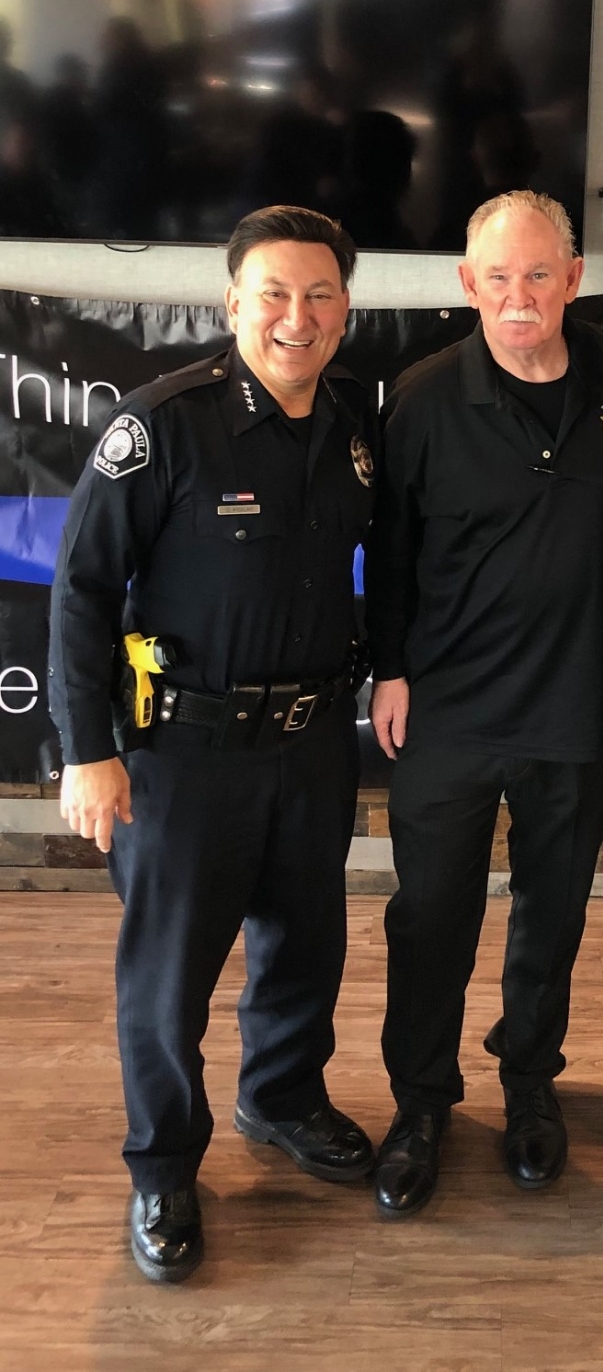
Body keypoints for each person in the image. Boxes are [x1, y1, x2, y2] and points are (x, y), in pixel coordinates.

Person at [48, 205, 377, 1283]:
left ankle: (280, 1098)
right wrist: (86, 749)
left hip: (313, 742)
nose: (298, 316)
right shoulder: (162, 425)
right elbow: (83, 591)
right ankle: (163, 1165)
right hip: (183, 757)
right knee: (168, 976)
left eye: (319, 295)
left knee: (303, 948)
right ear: (232, 303)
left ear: (345, 310)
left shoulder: (354, 429)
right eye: (274, 294)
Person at [365, 189, 603, 1218]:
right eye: (499, 277)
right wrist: (388, 665)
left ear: (575, 281)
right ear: (466, 285)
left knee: (551, 918)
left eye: (540, 274)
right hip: (450, 710)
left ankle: (529, 1085)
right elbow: (391, 550)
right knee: (430, 918)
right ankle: (420, 1103)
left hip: (582, 711)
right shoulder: (422, 396)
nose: (520, 296)